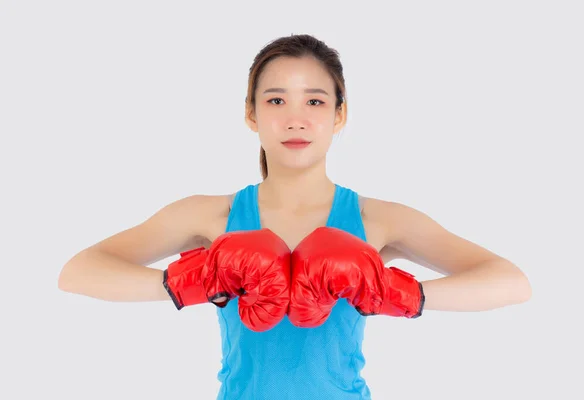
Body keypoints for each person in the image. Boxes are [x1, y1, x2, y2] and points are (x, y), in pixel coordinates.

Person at [57, 34, 532, 400]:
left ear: (340, 115)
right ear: (251, 114)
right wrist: (193, 279)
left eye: (316, 101)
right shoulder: (212, 214)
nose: (295, 119)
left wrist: (396, 292)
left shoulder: (376, 218)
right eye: (276, 100)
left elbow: (511, 282)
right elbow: (78, 272)